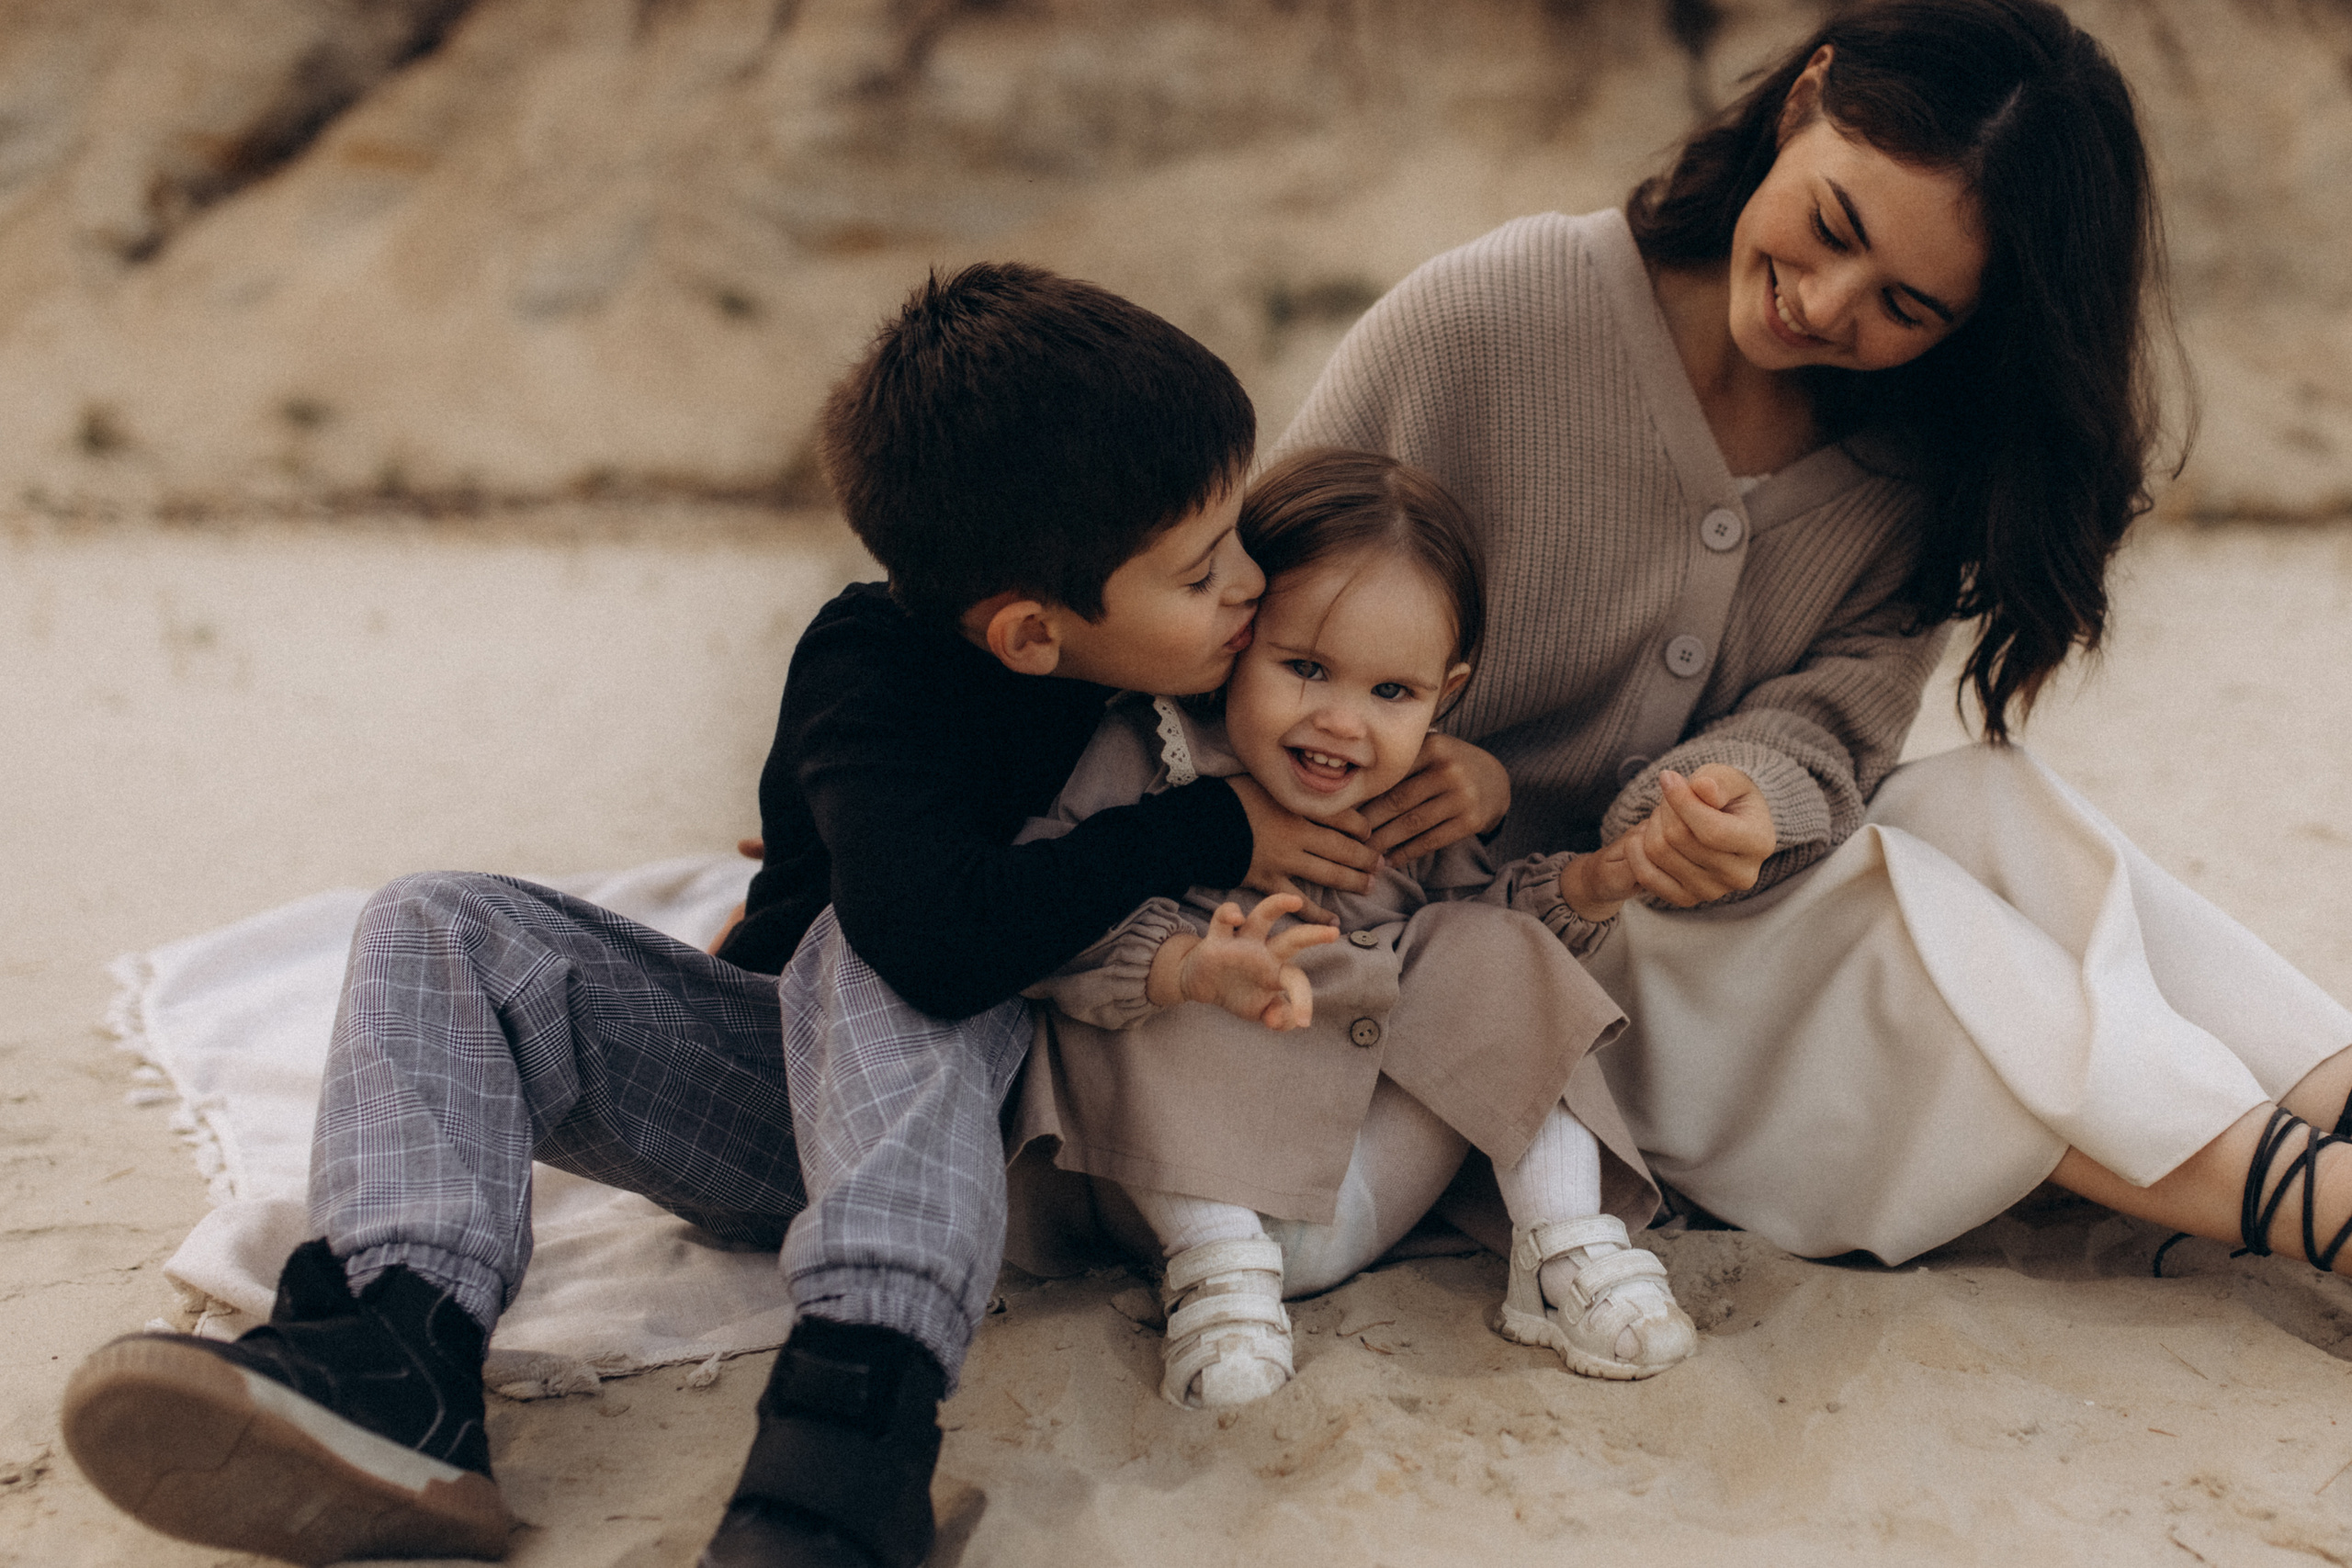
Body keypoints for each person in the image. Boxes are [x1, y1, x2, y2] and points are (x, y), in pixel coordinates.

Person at [58, 262, 1358, 1568]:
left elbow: (1395, 676)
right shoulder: (873, 671)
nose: (1250, 585)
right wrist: (1204, 826)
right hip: (796, 1106)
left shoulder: (1217, 660)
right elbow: (931, 929)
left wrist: (1468, 772)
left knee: (883, 934)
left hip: (1003, 1132)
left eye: (1237, 535)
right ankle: (400, 1349)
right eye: (1203, 570)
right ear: (1028, 632)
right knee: (442, 919)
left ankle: (856, 1421)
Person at [1272, 0, 2352, 1294]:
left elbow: (1831, 721)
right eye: (1834, 226)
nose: (1825, 303)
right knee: (1869, 914)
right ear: (1804, 101)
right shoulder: (1487, 318)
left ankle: (2328, 1083)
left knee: (1987, 801)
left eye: (1908, 303)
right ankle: (2299, 1194)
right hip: (1480, 968)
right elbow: (1263, 618)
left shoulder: (1915, 463)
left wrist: (1739, 797)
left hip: (1673, 921)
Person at [1008, 447, 1699, 1409]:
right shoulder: (1152, 757)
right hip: (1178, 1186)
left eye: (1391, 693)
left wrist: (1585, 885)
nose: (1341, 722)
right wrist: (1181, 969)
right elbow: (1040, 920)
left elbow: (1483, 988)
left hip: (1361, 1181)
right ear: (1235, 639)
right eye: (1306, 668)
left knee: (1494, 946)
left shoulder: (1409, 802)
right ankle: (1217, 1276)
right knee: (1137, 987)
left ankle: (1564, 1242)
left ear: (1444, 695)